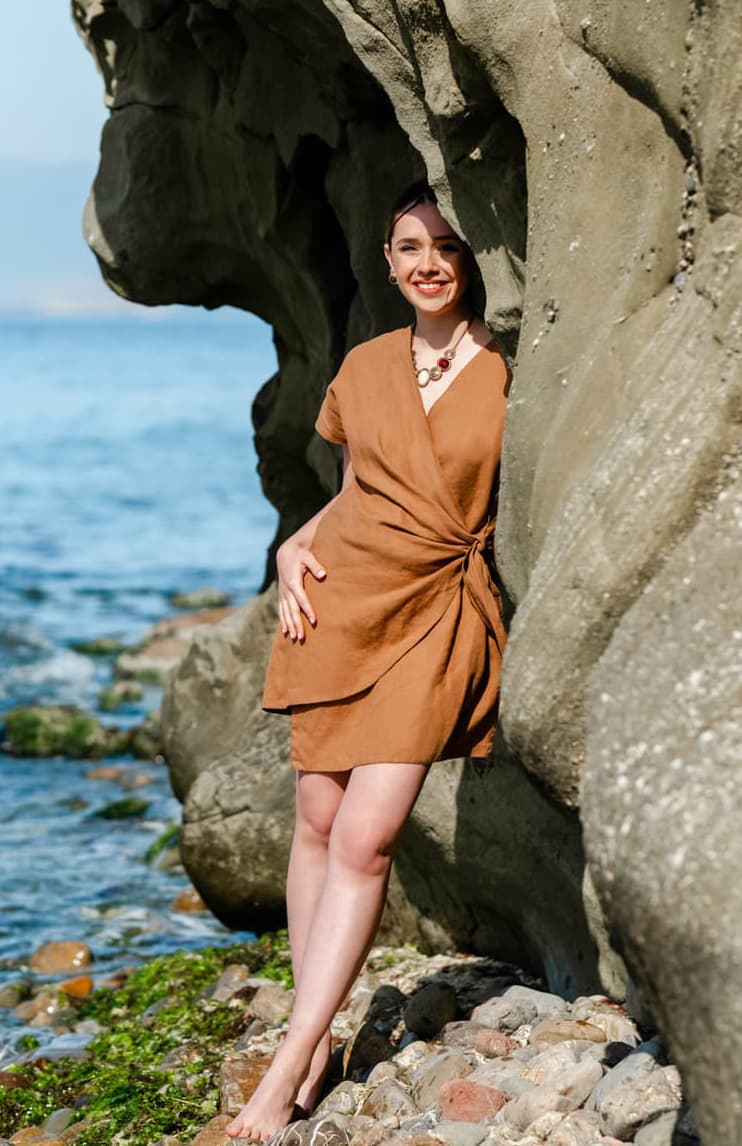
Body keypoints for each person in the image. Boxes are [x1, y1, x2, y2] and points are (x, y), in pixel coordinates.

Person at [224, 182, 511, 1142]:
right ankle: (318, 1031)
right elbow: (356, 492)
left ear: (470, 260)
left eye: (444, 245)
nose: (426, 262)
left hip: (437, 612)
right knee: (315, 817)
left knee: (368, 835)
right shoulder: (366, 364)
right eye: (407, 247)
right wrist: (290, 544)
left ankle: (288, 1067)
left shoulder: (510, 368)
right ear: (387, 263)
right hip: (341, 600)